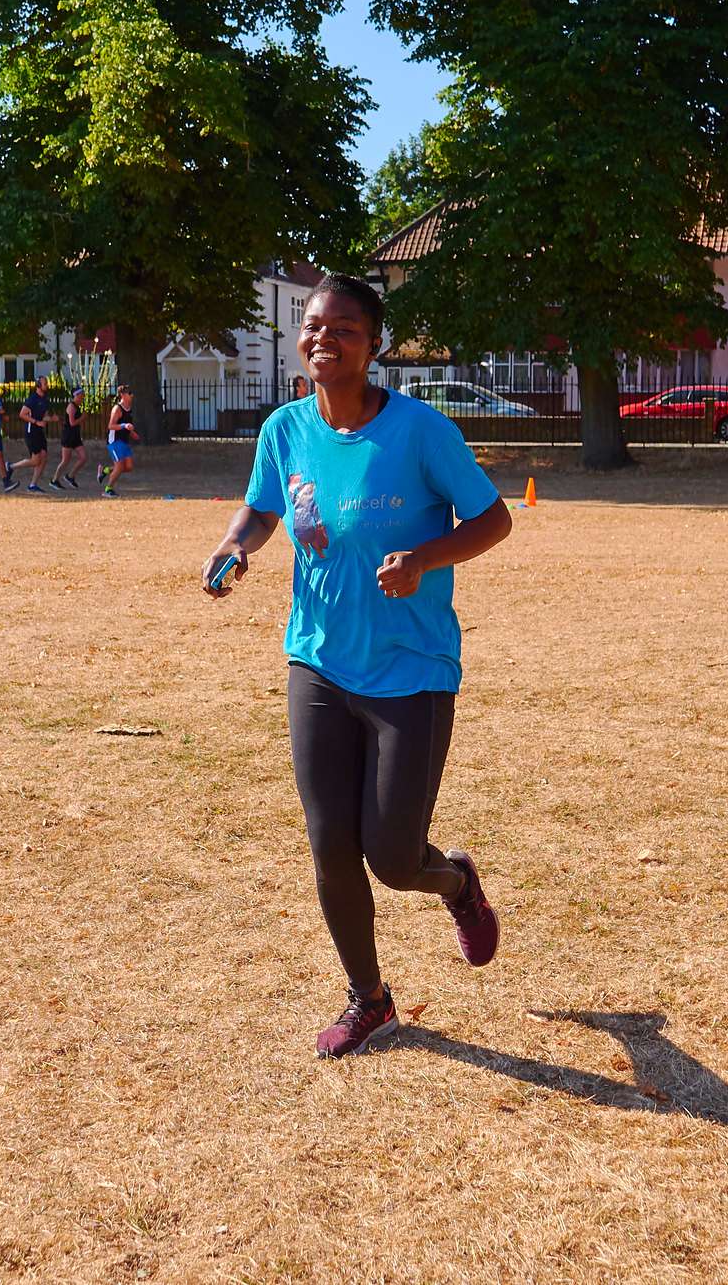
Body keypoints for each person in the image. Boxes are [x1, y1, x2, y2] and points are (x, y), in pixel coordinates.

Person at [201, 272, 512, 1060]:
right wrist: (237, 543)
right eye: (313, 325)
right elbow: (264, 507)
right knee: (330, 843)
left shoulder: (420, 431)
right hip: (317, 661)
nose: (323, 339)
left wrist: (425, 559)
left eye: (343, 328)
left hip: (410, 668)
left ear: (374, 345)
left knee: (394, 856)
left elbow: (493, 518)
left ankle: (457, 882)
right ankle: (369, 998)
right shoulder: (285, 428)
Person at [8, 377, 53, 492]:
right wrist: (36, 422)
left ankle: (33, 485)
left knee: (44, 457)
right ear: (38, 385)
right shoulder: (33, 399)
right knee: (35, 461)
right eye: (45, 383)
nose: (47, 385)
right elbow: (22, 414)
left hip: (40, 432)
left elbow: (45, 415)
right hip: (31, 432)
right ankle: (11, 467)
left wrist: (51, 419)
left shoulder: (45, 399)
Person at [98, 385, 138, 498]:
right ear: (122, 395)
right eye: (129, 393)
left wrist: (132, 433)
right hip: (114, 441)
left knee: (129, 467)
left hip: (124, 441)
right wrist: (124, 425)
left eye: (132, 393)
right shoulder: (117, 409)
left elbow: (127, 426)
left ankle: (105, 470)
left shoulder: (129, 409)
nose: (132, 395)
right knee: (119, 466)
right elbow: (111, 426)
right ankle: (108, 490)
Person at [49, 387, 88, 489]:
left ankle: (70, 476)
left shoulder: (77, 406)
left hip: (76, 436)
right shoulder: (71, 407)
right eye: (81, 395)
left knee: (83, 457)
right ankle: (54, 480)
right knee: (65, 460)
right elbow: (72, 423)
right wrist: (82, 418)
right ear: (76, 395)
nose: (83, 397)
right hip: (68, 436)